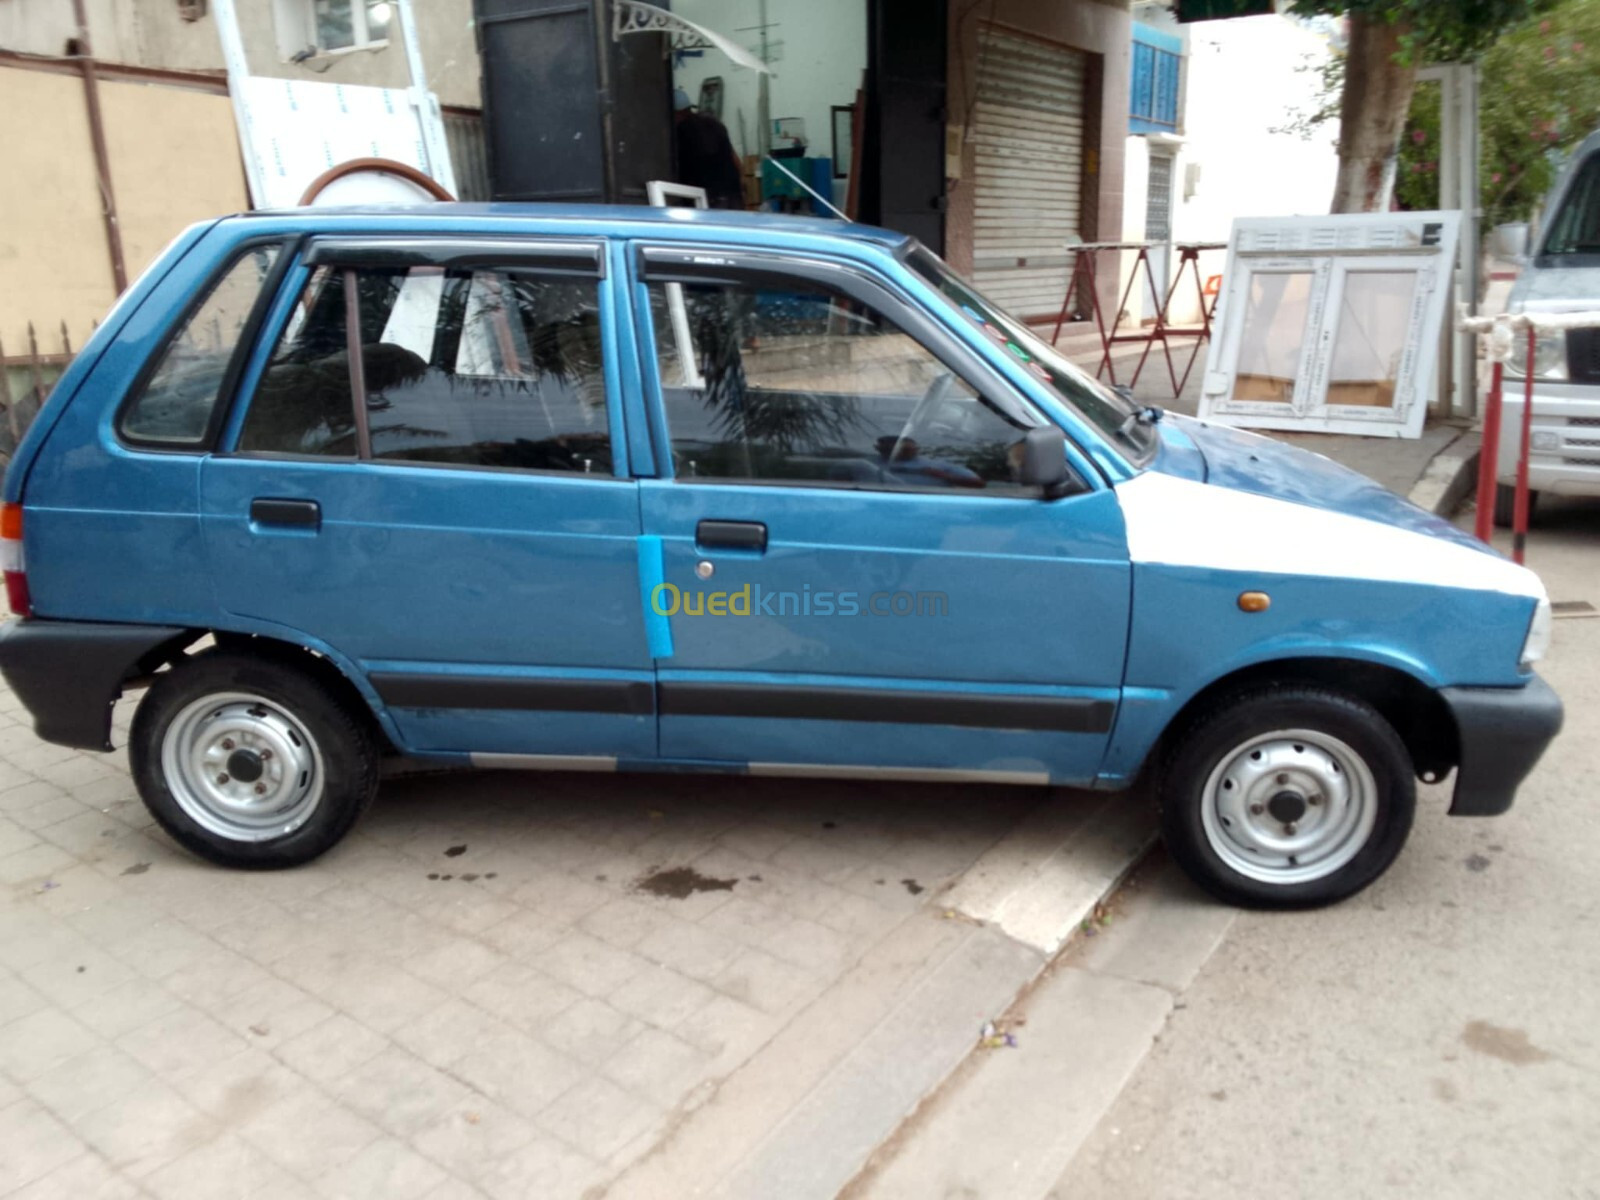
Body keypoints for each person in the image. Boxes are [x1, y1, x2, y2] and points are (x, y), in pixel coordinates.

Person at [673, 88, 745, 210]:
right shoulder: (714, 123)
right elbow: (736, 160)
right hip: (732, 197)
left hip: (707, 201)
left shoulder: (681, 132)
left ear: (676, 113)